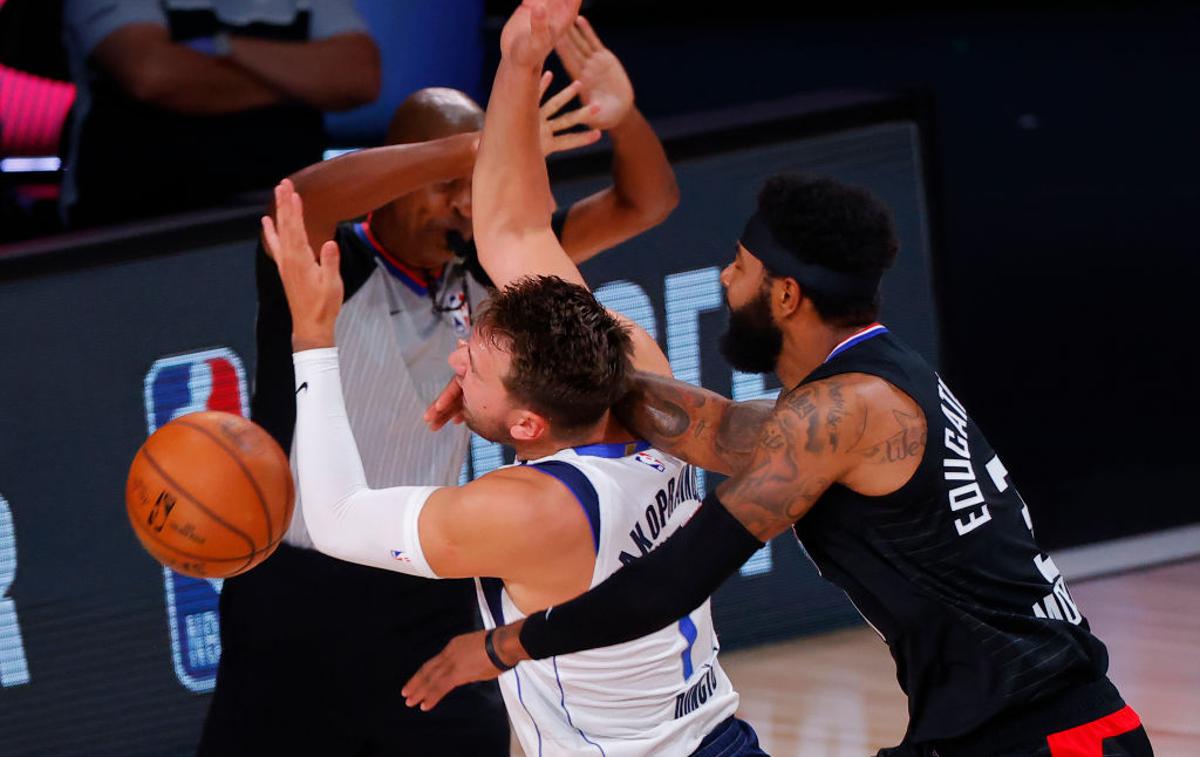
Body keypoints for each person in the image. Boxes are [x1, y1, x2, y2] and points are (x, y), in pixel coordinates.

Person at [403, 170, 1155, 755]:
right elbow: (715, 428)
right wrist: (517, 384)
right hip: (1004, 727)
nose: (725, 284)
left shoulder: (844, 413)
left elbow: (667, 584)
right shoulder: (867, 384)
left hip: (1047, 735)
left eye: (738, 268)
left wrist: (502, 645)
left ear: (786, 294)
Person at [253, 4, 768, 754]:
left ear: (528, 423)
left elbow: (339, 516)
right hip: (711, 730)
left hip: (417, 550)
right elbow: (517, 232)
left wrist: (312, 333)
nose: (459, 357)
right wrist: (518, 73)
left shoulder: (524, 509)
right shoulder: (648, 386)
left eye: (478, 360)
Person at [60, 0, 380, 228]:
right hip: (133, 230)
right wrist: (303, 82)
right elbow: (151, 75)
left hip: (279, 224)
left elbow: (360, 78)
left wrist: (218, 45)